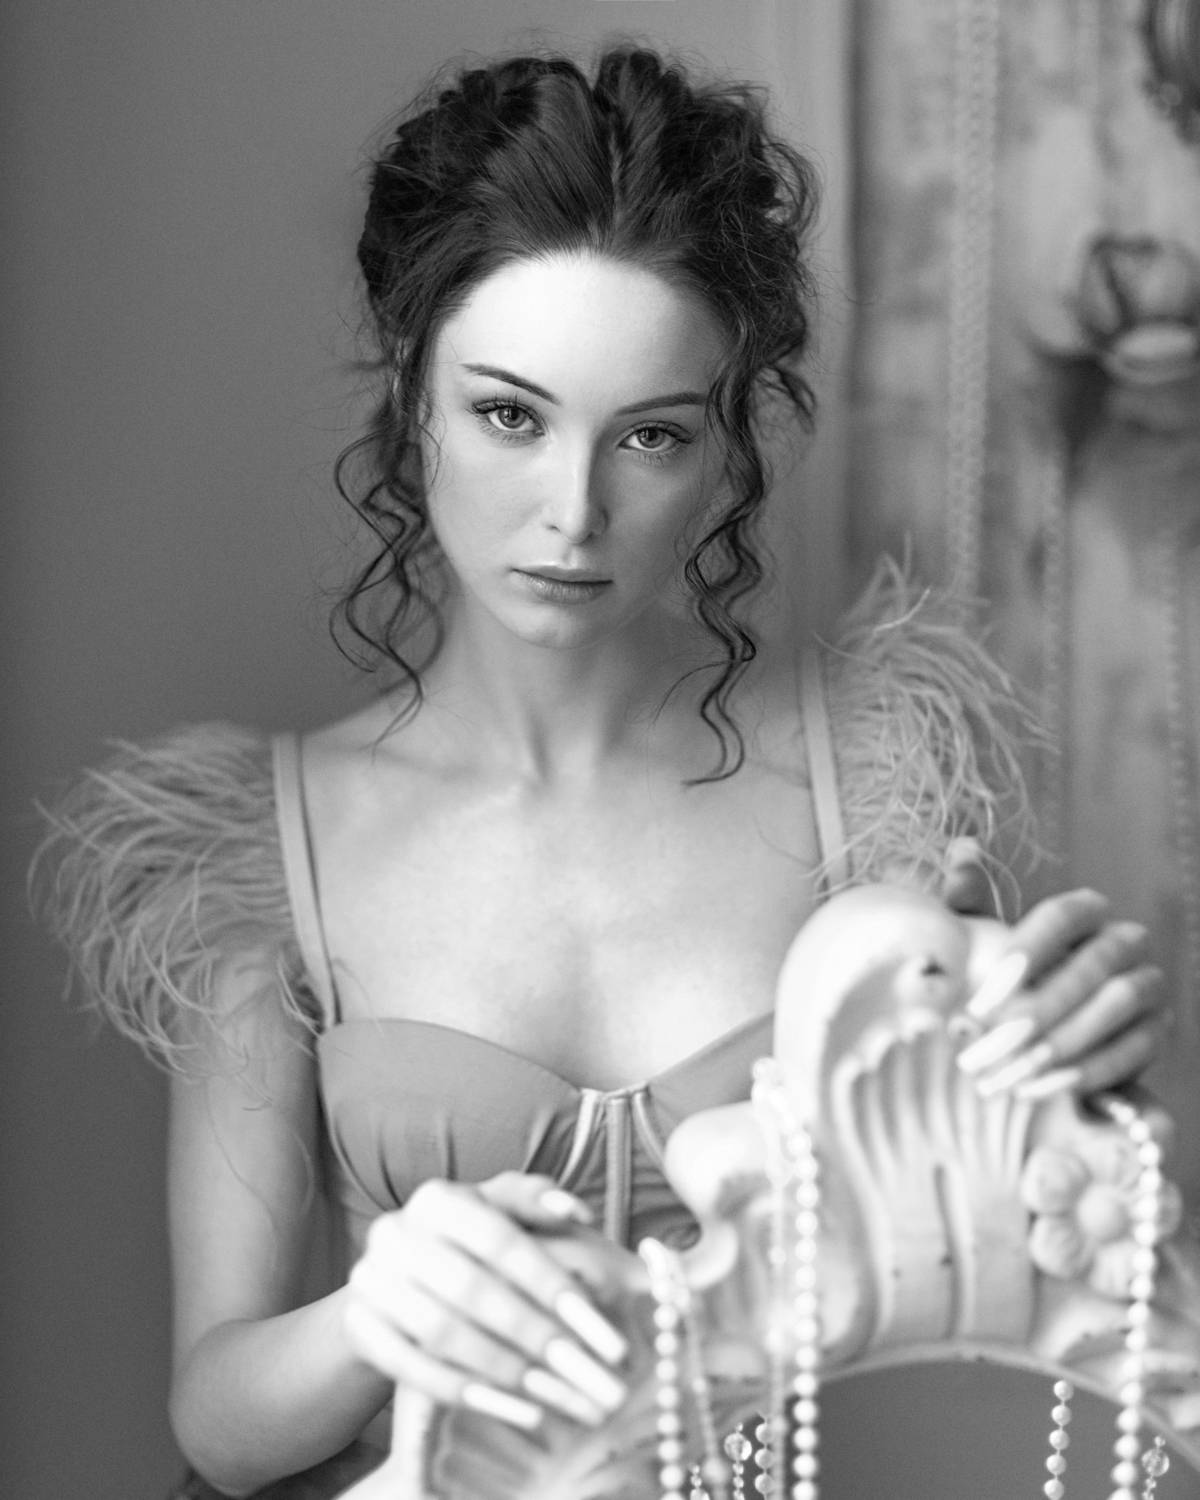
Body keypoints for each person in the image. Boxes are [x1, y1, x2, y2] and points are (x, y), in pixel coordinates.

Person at [36, 45, 1164, 1499]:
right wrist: (380, 1313)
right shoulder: (260, 845)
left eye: (650, 436)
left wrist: (1064, 1074)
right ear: (412, 396)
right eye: (511, 415)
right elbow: (220, 1418)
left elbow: (994, 1250)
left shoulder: (875, 784)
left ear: (723, 447)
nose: (574, 511)